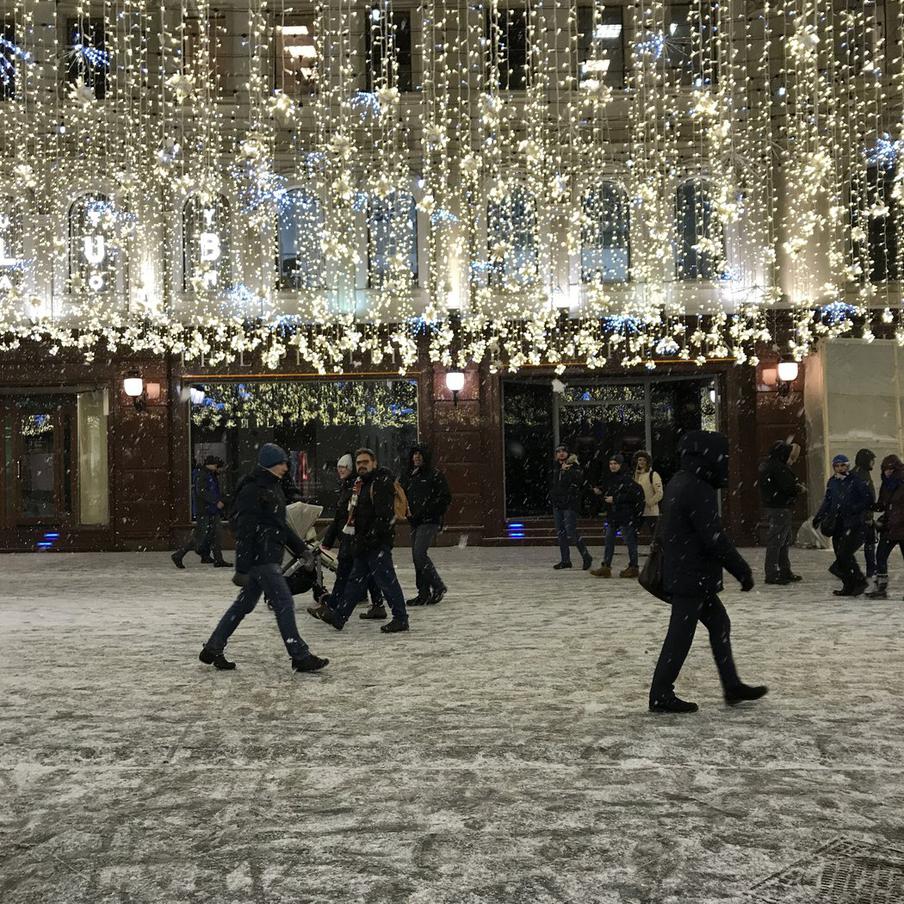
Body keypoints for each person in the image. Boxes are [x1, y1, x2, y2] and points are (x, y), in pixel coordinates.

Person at [649, 430, 765, 714]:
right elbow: (713, 537)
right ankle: (661, 693)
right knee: (680, 634)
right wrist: (741, 570)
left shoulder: (682, 480)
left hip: (688, 572)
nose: (724, 462)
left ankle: (731, 685)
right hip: (692, 576)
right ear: (708, 456)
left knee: (719, 624)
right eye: (722, 456)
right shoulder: (696, 488)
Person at [198, 443, 328, 673]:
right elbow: (245, 531)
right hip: (262, 558)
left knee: (244, 605)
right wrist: (242, 568)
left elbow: (281, 526)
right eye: (281, 463)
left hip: (268, 554)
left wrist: (301, 549)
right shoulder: (253, 489)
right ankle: (299, 655)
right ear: (269, 464)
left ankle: (213, 647)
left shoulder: (272, 487)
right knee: (284, 603)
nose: (285, 468)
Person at [314, 448, 410, 633]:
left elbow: (383, 517)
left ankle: (401, 618)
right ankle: (339, 617)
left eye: (365, 462)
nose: (362, 465)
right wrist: (358, 539)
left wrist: (370, 538)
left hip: (376, 543)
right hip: (363, 543)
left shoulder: (380, 483)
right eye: (359, 463)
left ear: (374, 463)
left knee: (387, 581)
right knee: (354, 582)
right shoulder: (360, 483)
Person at [310, 454, 385, 620]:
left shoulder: (356, 486)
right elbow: (340, 516)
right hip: (351, 537)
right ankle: (378, 605)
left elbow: (348, 515)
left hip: (352, 537)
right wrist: (329, 540)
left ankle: (334, 609)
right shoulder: (349, 486)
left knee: (346, 575)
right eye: (338, 467)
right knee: (365, 573)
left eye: (344, 466)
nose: (340, 470)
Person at [813, 454, 872, 597]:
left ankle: (859, 581)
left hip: (853, 523)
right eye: (837, 466)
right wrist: (819, 517)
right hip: (837, 524)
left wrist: (854, 509)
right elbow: (828, 502)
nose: (840, 468)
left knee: (845, 554)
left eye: (842, 465)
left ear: (848, 466)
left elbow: (868, 499)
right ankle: (848, 584)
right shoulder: (832, 482)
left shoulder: (856, 481)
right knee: (840, 555)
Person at [401, 444, 452, 605]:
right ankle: (423, 593)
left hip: (429, 521)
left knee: (419, 554)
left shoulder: (434, 475)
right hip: (415, 521)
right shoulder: (409, 475)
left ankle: (438, 586)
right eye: (414, 454)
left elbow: (445, 497)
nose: (417, 457)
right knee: (417, 557)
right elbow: (401, 495)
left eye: (420, 454)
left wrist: (428, 511)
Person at [172, 455, 233, 569]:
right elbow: (202, 493)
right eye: (215, 465)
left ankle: (217, 559)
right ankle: (179, 555)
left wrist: (219, 500)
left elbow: (209, 491)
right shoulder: (202, 475)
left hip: (211, 510)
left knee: (216, 535)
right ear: (209, 465)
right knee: (200, 536)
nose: (216, 467)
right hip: (204, 510)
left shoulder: (210, 475)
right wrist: (216, 501)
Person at [758, 441, 805, 585]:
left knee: (781, 540)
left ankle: (783, 571)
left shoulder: (767, 465)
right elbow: (788, 486)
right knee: (778, 541)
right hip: (780, 508)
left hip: (775, 506)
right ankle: (773, 573)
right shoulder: (779, 468)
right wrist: (799, 489)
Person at [590, 453, 643, 578]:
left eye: (615, 464)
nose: (612, 466)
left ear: (620, 465)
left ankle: (633, 567)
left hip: (625, 515)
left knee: (629, 541)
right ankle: (606, 566)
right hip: (613, 515)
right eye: (611, 464)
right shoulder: (610, 478)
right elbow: (612, 491)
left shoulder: (626, 479)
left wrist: (616, 499)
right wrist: (602, 492)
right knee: (609, 540)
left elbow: (635, 495)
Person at [549, 444, 593, 571]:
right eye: (558, 451)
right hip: (558, 504)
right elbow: (554, 484)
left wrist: (566, 472)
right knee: (561, 533)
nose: (561, 453)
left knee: (571, 531)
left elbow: (578, 482)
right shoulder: (555, 467)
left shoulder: (574, 467)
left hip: (570, 504)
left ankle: (586, 556)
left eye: (563, 451)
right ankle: (565, 560)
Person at [867, 454, 904, 599]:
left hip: (900, 528)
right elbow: (883, 504)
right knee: (881, 556)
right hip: (889, 528)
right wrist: (871, 506)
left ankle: (881, 589)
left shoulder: (901, 484)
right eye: (885, 469)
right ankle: (881, 588)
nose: (887, 472)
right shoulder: (886, 485)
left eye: (890, 469)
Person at [853, 448, 877, 581]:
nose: (873, 463)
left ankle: (870, 567)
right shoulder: (862, 476)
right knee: (867, 542)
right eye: (871, 460)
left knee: (864, 542)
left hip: (857, 515)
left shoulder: (857, 473)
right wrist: (868, 516)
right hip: (862, 516)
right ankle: (871, 568)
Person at [633, 451, 663, 536]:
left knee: (654, 536)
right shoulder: (636, 475)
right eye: (639, 460)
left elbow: (659, 493)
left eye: (644, 460)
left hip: (651, 512)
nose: (641, 462)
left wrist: (649, 503)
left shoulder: (653, 474)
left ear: (647, 462)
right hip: (638, 511)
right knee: (633, 535)